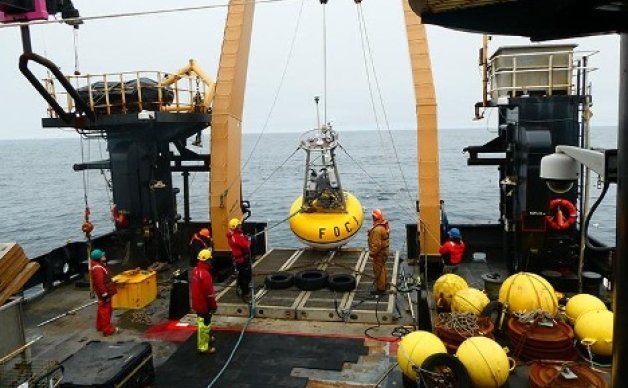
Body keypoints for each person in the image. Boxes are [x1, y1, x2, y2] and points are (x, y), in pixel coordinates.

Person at [190, 249, 218, 354]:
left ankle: (209, 337)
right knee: (204, 326)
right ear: (208, 260)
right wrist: (213, 306)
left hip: (197, 303)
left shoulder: (195, 271)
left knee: (205, 323)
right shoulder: (205, 274)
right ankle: (203, 347)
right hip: (204, 305)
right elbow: (209, 294)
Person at [90, 249, 119, 336]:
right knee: (106, 311)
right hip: (105, 293)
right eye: (102, 256)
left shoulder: (98, 265)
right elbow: (99, 283)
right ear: (99, 258)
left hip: (104, 291)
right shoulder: (98, 268)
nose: (104, 256)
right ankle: (107, 330)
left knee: (102, 309)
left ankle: (100, 326)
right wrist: (105, 294)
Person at [226, 218, 252, 303]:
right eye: (239, 226)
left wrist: (245, 237)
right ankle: (245, 293)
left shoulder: (233, 235)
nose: (241, 227)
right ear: (235, 227)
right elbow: (246, 246)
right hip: (243, 260)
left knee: (241, 275)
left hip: (239, 260)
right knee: (246, 277)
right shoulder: (237, 237)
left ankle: (239, 288)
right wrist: (249, 240)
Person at [367, 208, 390, 295]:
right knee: (382, 269)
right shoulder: (383, 226)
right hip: (384, 252)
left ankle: (380, 289)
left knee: (378, 270)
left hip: (379, 254)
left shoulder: (377, 230)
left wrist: (372, 253)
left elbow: (376, 245)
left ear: (375, 218)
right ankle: (384, 284)